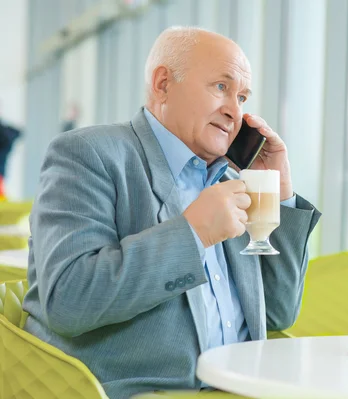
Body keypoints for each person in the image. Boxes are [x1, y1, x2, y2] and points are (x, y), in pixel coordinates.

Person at [23, 27, 321, 399]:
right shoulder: (87, 154)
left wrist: (279, 195)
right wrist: (193, 234)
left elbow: (279, 313)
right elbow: (68, 301)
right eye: (220, 87)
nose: (235, 110)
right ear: (163, 84)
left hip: (242, 387)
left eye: (242, 96)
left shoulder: (233, 181)